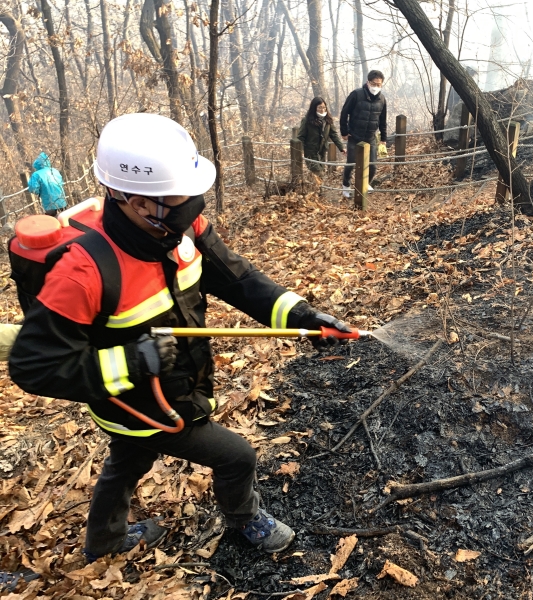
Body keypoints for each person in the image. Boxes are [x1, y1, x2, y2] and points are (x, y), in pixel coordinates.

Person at [9, 113, 352, 561]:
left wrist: (303, 316)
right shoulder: (84, 272)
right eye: (177, 196)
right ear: (131, 199)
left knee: (127, 463)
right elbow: (34, 366)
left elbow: (239, 280)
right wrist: (132, 362)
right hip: (143, 406)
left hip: (170, 392)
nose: (192, 203)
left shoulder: (178, 227)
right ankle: (244, 519)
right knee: (236, 457)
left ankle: (104, 543)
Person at [339, 70, 387, 198]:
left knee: (372, 166)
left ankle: (364, 184)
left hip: (371, 137)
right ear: (368, 82)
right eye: (374, 83)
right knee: (351, 163)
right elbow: (344, 113)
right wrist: (344, 131)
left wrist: (383, 138)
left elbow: (383, 119)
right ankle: (346, 186)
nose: (376, 87)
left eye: (379, 84)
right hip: (354, 135)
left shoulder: (382, 99)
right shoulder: (356, 94)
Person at [297, 97, 345, 183]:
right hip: (311, 152)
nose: (322, 110)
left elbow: (333, 134)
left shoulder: (328, 120)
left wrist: (341, 148)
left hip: (322, 151)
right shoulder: (307, 120)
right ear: (314, 108)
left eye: (324, 107)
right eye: (319, 107)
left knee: (319, 173)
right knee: (319, 173)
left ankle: (315, 191)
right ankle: (319, 192)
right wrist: (300, 150)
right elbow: (301, 137)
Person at [27, 152, 67, 217]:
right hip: (62, 201)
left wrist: (39, 191)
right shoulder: (54, 171)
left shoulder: (36, 174)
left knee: (53, 222)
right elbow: (61, 182)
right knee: (65, 219)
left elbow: (33, 189)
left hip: (48, 203)